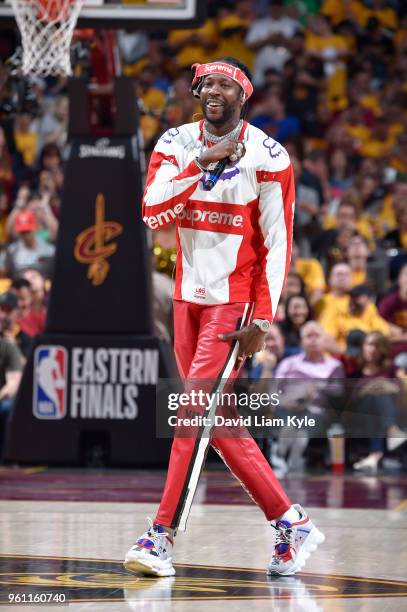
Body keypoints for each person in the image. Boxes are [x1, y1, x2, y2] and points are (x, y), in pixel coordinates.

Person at [124, 57, 324, 578]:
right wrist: (202, 161)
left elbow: (278, 246)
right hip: (187, 299)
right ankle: (291, 521)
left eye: (225, 84)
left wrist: (264, 318)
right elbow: (152, 212)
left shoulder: (271, 157)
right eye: (206, 83)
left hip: (235, 306)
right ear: (197, 92)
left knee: (192, 410)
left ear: (244, 96)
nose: (213, 90)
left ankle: (160, 535)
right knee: (218, 422)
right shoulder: (174, 143)